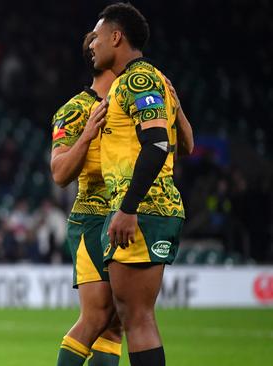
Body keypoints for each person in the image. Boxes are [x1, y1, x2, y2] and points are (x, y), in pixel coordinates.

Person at [89, 3, 192, 365]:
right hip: (151, 208)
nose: (92, 44)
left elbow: (157, 144)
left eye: (98, 36)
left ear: (117, 37)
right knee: (135, 316)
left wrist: (128, 208)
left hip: (142, 210)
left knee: (137, 318)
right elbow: (186, 144)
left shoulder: (138, 79)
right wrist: (176, 109)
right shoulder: (152, 81)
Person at [51, 32, 122, 366]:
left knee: (115, 326)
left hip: (125, 216)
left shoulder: (126, 104)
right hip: (92, 220)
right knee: (96, 317)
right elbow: (59, 172)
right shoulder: (75, 110)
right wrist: (87, 137)